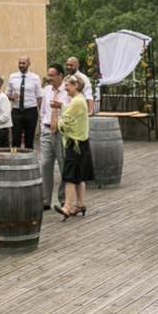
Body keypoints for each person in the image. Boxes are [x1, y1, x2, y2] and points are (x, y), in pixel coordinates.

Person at [57, 74, 94, 218]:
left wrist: (60, 123)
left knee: (70, 177)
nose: (65, 87)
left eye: (67, 85)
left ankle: (67, 206)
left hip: (75, 144)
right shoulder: (78, 100)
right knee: (79, 176)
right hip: (82, 143)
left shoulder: (77, 102)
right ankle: (79, 204)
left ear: (76, 86)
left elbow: (65, 121)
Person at [38, 63, 70, 211]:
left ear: (60, 76)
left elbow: (71, 111)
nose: (49, 78)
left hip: (61, 131)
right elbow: (43, 110)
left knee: (63, 164)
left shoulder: (68, 91)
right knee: (45, 164)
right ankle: (45, 200)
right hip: (46, 131)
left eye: (52, 75)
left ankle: (64, 199)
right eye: (48, 75)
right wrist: (43, 126)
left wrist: (61, 107)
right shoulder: (46, 91)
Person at [8, 56, 43, 149]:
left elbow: (39, 97)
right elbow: (7, 94)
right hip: (16, 111)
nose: (21, 65)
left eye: (23, 63)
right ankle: (15, 159)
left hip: (30, 111)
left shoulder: (35, 78)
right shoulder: (12, 77)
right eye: (19, 63)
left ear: (29, 64)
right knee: (15, 139)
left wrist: (42, 114)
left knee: (29, 140)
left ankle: (29, 161)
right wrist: (11, 97)